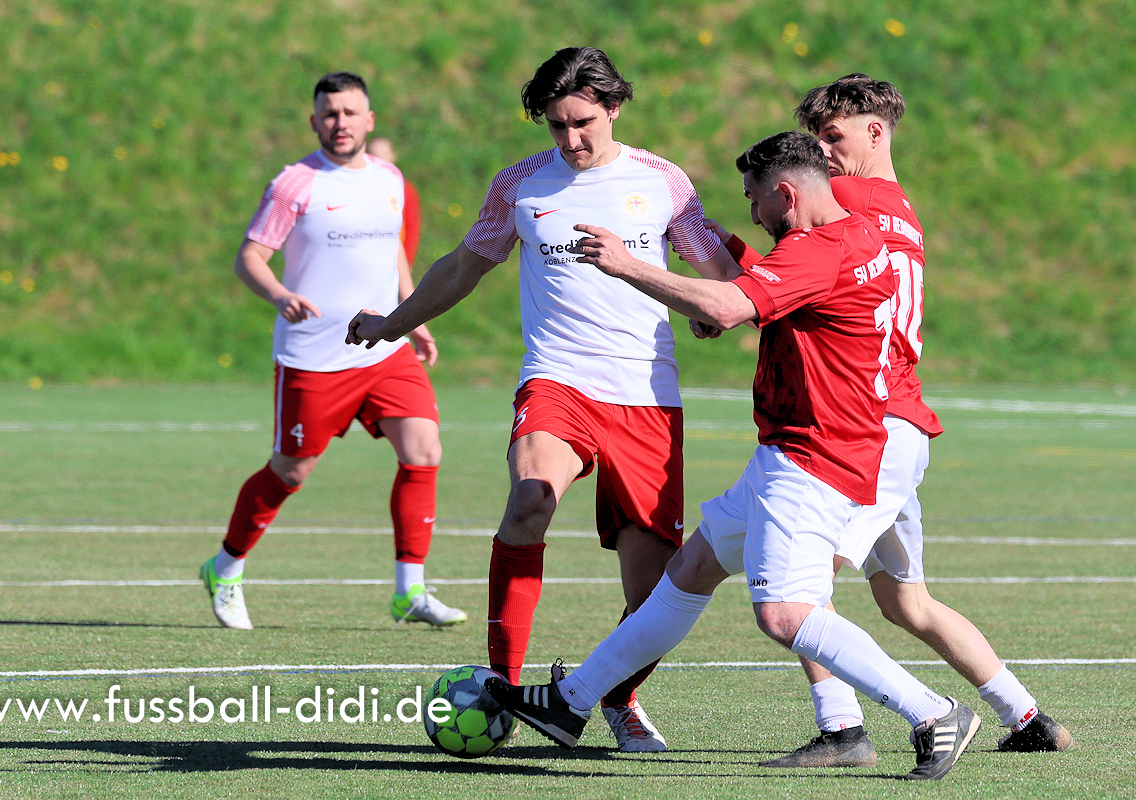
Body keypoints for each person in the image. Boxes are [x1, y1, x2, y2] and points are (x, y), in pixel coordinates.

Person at [486, 130, 981, 781]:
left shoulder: (815, 250)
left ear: (786, 194)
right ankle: (571, 702)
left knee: (784, 612)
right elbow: (771, 294)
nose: (753, 213)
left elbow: (728, 304)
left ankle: (933, 712)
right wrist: (725, 269)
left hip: (813, 456)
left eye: (755, 200)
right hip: (802, 448)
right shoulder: (855, 236)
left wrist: (627, 264)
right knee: (688, 572)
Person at [347, 47, 739, 751]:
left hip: (647, 395)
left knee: (656, 594)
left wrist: (714, 307)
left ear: (614, 107)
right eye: (557, 125)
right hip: (557, 379)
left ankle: (617, 697)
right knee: (530, 500)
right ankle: (500, 688)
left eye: (583, 122)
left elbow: (718, 272)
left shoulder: (664, 183)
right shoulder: (520, 185)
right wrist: (391, 325)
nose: (571, 139)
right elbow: (463, 267)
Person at [697, 74, 1068, 766]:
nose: (821, 153)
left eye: (831, 137)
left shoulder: (845, 200)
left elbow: (785, 282)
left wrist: (716, 254)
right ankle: (1026, 715)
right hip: (899, 419)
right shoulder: (899, 206)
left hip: (864, 421)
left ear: (876, 131)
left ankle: (844, 729)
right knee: (907, 603)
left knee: (801, 588)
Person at [199, 72, 467, 631]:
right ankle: (225, 568)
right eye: (329, 113)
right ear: (314, 121)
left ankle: (410, 591)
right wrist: (280, 295)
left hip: (383, 348)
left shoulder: (390, 179)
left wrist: (411, 317)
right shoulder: (294, 184)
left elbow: (393, 252)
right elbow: (249, 257)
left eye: (349, 112)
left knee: (423, 450)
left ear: (369, 120)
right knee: (292, 470)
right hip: (314, 358)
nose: (339, 122)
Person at [366, 138, 422, 268]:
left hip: (394, 261)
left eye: (384, 154)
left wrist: (407, 263)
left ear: (393, 155)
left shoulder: (405, 190)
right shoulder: (360, 189)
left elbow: (412, 228)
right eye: (374, 155)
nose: (380, 160)